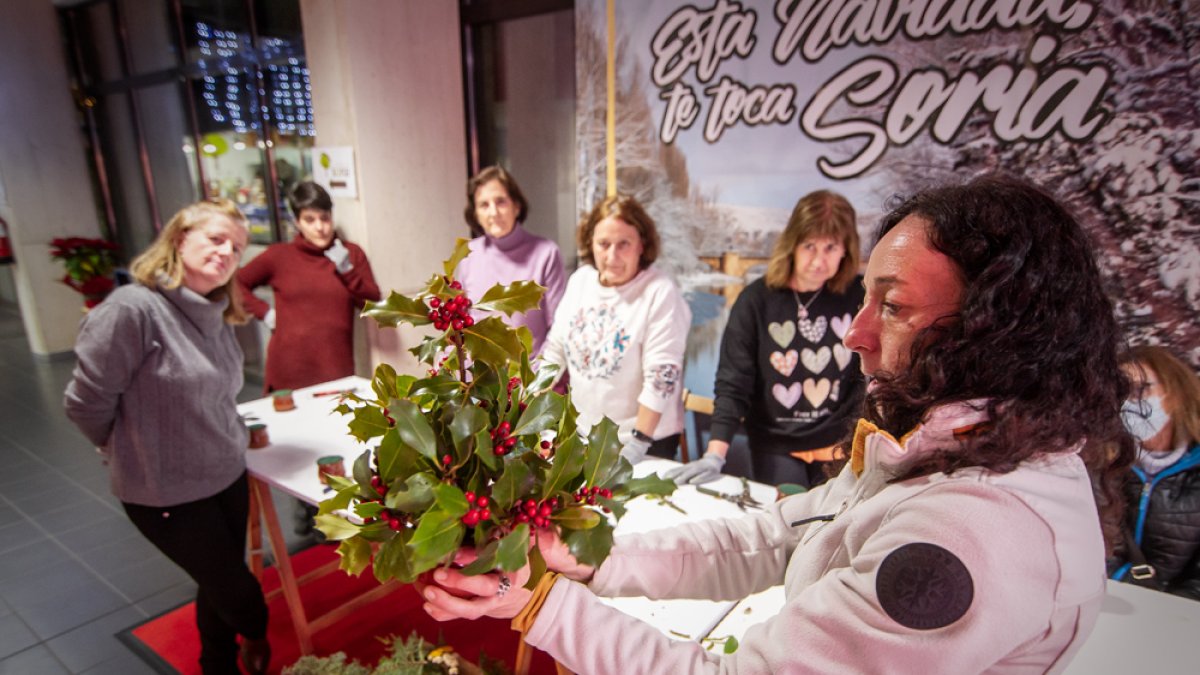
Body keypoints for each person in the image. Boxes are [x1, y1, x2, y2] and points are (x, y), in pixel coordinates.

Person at [420, 175, 1135, 673]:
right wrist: (599, 562)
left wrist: (544, 604)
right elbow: (778, 531)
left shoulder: (970, 535)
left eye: (890, 306)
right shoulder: (944, 443)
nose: (853, 334)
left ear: (997, 328)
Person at [64, 199, 271, 675]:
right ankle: (255, 635)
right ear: (179, 239)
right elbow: (85, 403)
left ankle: (216, 664)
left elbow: (217, 396)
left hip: (225, 475)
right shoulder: (132, 311)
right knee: (239, 593)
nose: (226, 253)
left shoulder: (215, 312)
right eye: (215, 239)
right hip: (165, 489)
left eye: (236, 248)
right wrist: (124, 449)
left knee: (214, 581)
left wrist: (234, 434)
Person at [668, 190, 865, 488]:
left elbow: (875, 372)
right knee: (788, 526)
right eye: (809, 246)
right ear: (792, 245)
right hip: (777, 445)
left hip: (840, 444)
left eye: (830, 247)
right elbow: (734, 382)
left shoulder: (859, 297)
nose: (818, 260)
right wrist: (714, 455)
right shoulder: (756, 301)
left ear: (846, 250)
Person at [541, 194, 691, 464]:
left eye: (624, 244)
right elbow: (554, 353)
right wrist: (526, 405)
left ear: (642, 245)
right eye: (604, 244)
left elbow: (661, 376)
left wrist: (638, 444)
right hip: (585, 435)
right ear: (591, 243)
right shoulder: (580, 282)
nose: (612, 256)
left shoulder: (659, 291)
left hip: (644, 442)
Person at [236, 180, 381, 393]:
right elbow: (237, 284)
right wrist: (265, 313)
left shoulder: (350, 253)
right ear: (297, 222)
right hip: (288, 369)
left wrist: (347, 271)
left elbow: (373, 304)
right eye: (309, 220)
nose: (320, 227)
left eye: (325, 218)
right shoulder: (279, 256)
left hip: (336, 369)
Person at [1108, 345, 1200, 599]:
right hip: (1112, 602)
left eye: (1141, 389)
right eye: (1121, 391)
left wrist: (1170, 610)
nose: (1129, 401)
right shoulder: (1100, 463)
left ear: (1175, 392)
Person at [455, 166, 566, 355]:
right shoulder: (468, 255)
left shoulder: (546, 253)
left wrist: (537, 378)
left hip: (529, 376)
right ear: (475, 214)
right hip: (480, 378)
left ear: (517, 206)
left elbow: (559, 329)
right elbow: (460, 325)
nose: (494, 212)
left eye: (501, 202)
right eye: (484, 205)